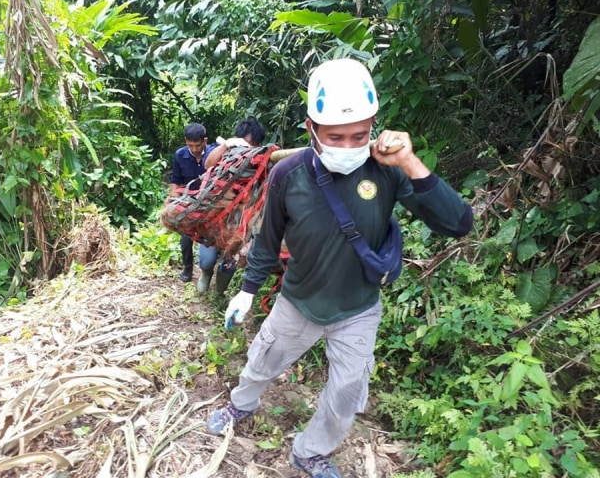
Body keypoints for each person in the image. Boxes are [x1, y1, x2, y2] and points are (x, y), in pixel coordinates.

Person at [205, 58, 474, 478]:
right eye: (335, 136)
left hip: (359, 308)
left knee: (348, 389)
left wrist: (409, 162)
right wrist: (247, 290)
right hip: (299, 301)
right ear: (311, 128)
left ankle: (311, 450)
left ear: (374, 126)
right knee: (262, 361)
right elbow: (268, 239)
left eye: (359, 135)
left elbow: (458, 224)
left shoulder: (387, 172)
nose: (348, 146)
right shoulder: (288, 174)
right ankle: (240, 405)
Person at [196, 117, 267, 295]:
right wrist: (227, 145)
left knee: (230, 263)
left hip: (240, 222)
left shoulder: (261, 162)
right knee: (206, 260)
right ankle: (205, 273)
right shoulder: (226, 155)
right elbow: (208, 165)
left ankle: (219, 292)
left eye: (251, 145)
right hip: (215, 217)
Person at [168, 123, 218, 283]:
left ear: (205, 141)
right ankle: (188, 268)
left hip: (210, 203)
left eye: (198, 145)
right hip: (188, 201)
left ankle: (210, 266)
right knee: (185, 236)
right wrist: (173, 199)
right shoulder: (180, 155)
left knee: (211, 236)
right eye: (191, 145)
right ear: (185, 142)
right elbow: (175, 180)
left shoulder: (214, 153)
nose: (195, 149)